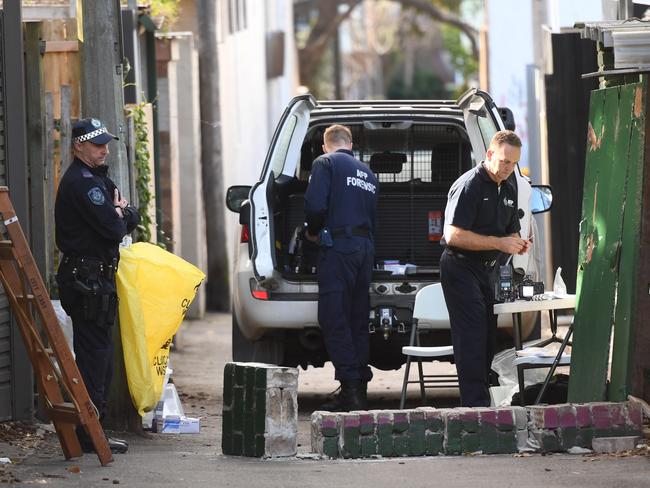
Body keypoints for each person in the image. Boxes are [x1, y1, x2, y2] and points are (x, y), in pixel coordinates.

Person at [55, 118, 140, 453]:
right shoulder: (82, 183)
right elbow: (114, 228)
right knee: (94, 359)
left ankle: (91, 427)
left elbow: (130, 215)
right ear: (79, 145)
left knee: (100, 358)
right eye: (97, 144)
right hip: (85, 280)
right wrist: (119, 215)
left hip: (96, 278)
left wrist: (123, 213)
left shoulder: (97, 179)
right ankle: (90, 432)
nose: (104, 150)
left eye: (106, 144)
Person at [440, 130, 531, 407]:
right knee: (472, 340)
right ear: (489, 154)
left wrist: (518, 244)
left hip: (488, 271)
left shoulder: (509, 185)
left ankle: (485, 404)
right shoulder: (469, 185)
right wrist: (499, 243)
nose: (508, 168)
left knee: (488, 339)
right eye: (504, 161)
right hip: (460, 267)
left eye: (514, 163)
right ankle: (475, 409)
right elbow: (453, 235)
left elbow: (510, 232)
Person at [304, 124, 379, 412]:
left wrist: (312, 231)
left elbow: (314, 206)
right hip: (364, 249)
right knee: (357, 319)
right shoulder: (368, 174)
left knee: (334, 317)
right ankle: (360, 388)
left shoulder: (325, 163)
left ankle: (350, 390)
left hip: (339, 248)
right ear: (351, 144)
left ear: (326, 146)